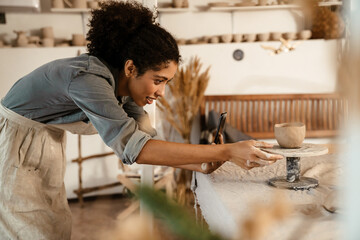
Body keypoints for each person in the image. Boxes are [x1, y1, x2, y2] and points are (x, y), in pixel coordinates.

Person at [0, 1, 282, 239]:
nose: (161, 92)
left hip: (43, 141)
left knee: (53, 226)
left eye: (166, 83)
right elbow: (133, 149)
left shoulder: (123, 90)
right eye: (158, 81)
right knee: (29, 230)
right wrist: (226, 150)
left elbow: (149, 141)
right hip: (15, 142)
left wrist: (200, 163)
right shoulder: (89, 79)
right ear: (131, 67)